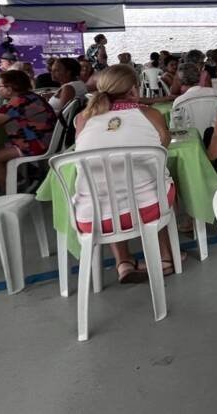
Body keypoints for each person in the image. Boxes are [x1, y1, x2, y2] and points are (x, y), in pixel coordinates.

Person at [72, 64, 180, 283]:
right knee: (156, 182)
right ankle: (165, 258)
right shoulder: (150, 114)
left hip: (91, 217)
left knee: (105, 189)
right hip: (147, 210)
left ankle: (123, 262)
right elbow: (163, 149)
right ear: (133, 88)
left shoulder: (83, 119)